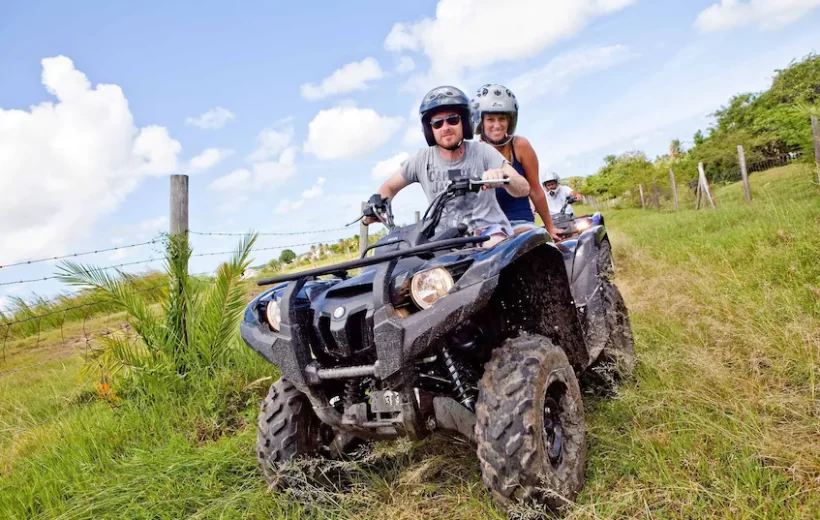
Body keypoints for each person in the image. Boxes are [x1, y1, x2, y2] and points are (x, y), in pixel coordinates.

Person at [364, 85, 529, 248]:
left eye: (452, 120)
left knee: (493, 248)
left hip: (488, 233)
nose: (446, 127)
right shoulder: (422, 160)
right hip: (444, 241)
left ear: (464, 122)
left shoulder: (483, 151)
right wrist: (378, 206)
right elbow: (389, 187)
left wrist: (504, 177)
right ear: (430, 130)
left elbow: (523, 187)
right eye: (437, 124)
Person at [471, 84, 561, 242]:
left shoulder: (520, 145)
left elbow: (535, 189)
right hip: (486, 229)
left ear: (509, 121)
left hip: (519, 223)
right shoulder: (474, 152)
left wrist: (549, 226)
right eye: (490, 119)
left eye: (502, 119)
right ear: (481, 122)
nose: (497, 125)